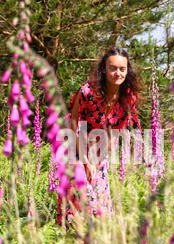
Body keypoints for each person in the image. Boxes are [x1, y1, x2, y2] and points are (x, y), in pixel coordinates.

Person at [57, 47, 143, 225]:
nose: (117, 73)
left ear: (127, 71)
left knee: (101, 205)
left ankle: (94, 243)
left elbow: (115, 131)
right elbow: (73, 126)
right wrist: (85, 161)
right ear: (104, 69)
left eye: (122, 69)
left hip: (98, 150)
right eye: (113, 68)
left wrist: (96, 159)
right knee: (84, 196)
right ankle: (72, 237)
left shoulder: (128, 98)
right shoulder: (87, 92)